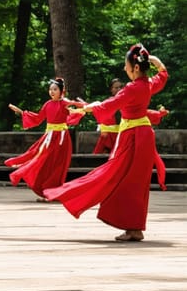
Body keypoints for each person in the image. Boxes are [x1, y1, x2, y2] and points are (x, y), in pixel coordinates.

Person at [45, 44, 168, 242]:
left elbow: (109, 105)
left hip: (134, 137)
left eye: (126, 65)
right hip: (141, 136)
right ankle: (134, 227)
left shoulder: (133, 88)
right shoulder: (147, 84)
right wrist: (157, 63)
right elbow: (162, 77)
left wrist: (86, 109)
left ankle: (133, 227)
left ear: (136, 68)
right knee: (134, 182)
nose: (124, 69)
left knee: (121, 179)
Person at [6, 78, 85, 202]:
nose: (52, 91)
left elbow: (77, 105)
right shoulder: (47, 104)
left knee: (57, 166)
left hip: (61, 139)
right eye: (50, 89)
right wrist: (22, 113)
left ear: (61, 91)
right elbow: (38, 118)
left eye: (55, 89)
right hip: (48, 138)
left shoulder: (64, 102)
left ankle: (53, 193)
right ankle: (46, 192)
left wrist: (86, 106)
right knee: (43, 162)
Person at [91, 78, 123, 154]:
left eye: (120, 87)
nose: (119, 89)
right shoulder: (108, 102)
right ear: (111, 90)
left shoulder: (127, 101)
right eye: (116, 88)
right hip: (109, 135)